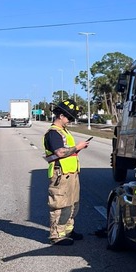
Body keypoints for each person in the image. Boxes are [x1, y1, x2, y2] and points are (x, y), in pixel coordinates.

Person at [43, 100, 89, 246]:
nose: (69, 121)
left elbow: (67, 152)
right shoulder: (53, 133)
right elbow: (60, 152)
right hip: (60, 174)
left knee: (73, 204)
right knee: (60, 205)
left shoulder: (63, 131)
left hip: (71, 173)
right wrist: (77, 147)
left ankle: (68, 231)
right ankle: (56, 236)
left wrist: (78, 149)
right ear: (61, 116)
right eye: (69, 118)